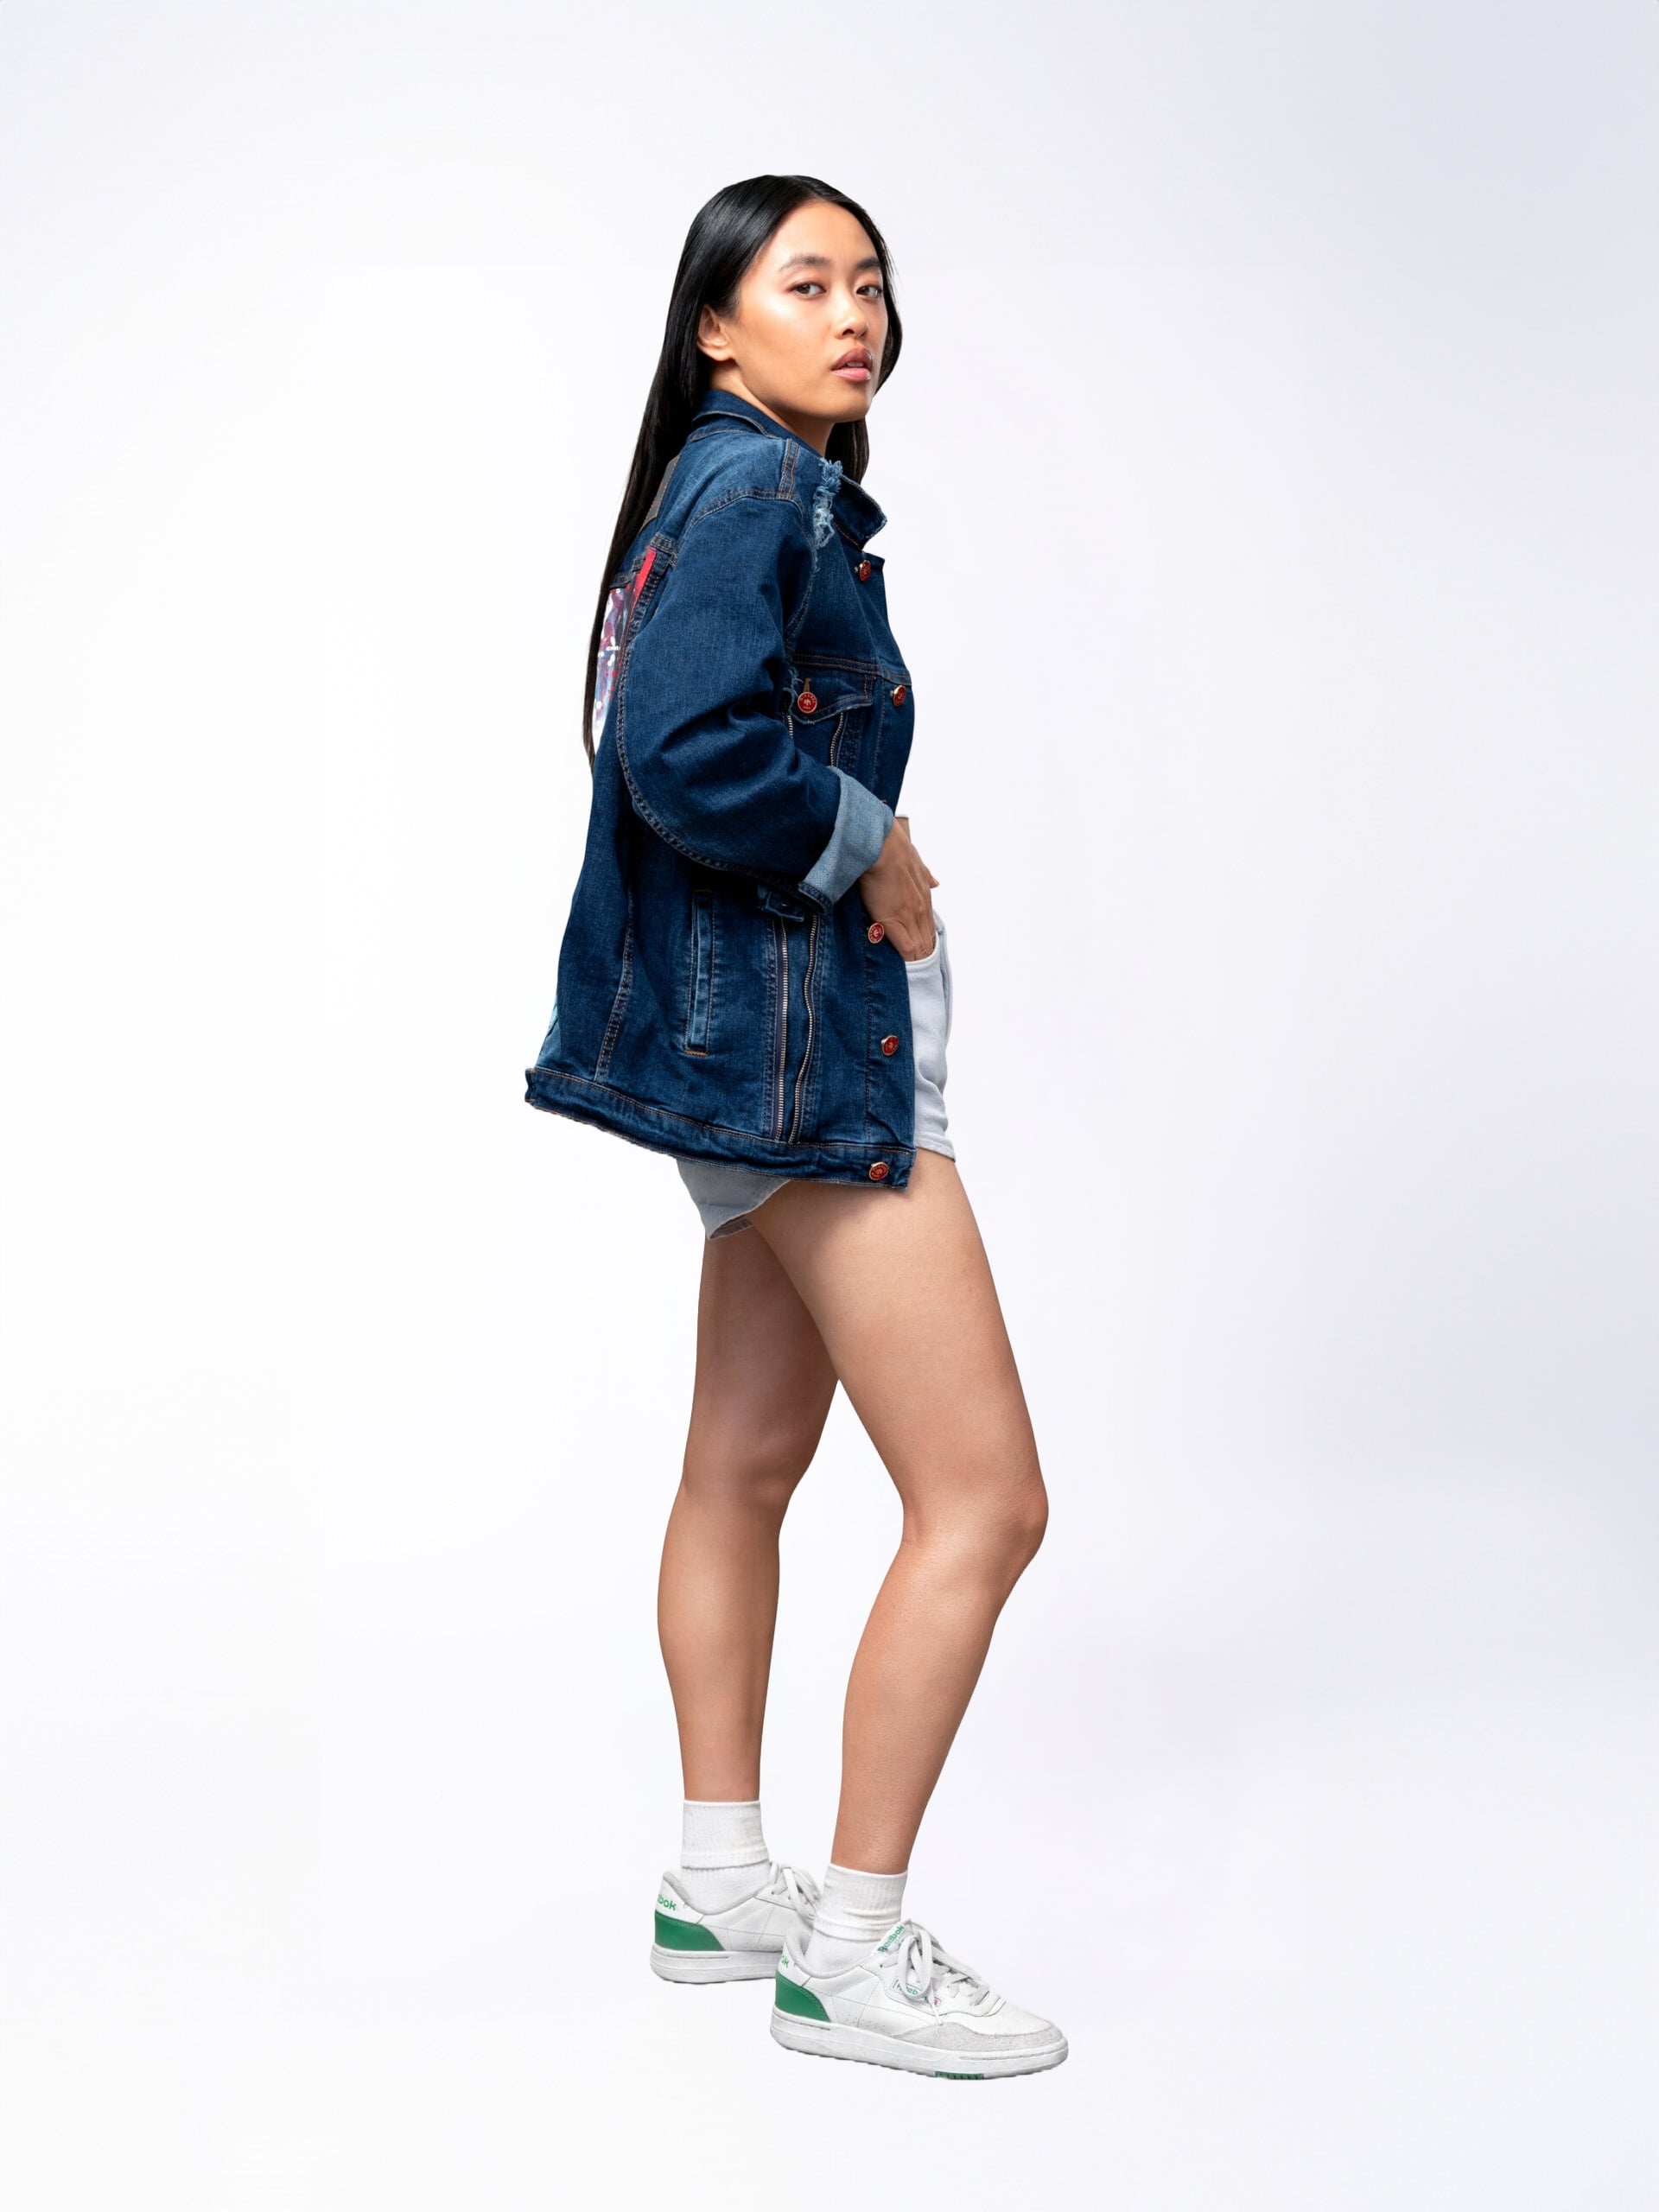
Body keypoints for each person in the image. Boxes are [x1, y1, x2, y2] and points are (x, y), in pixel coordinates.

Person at [524, 175, 1065, 2080]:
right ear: (716, 326)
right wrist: (871, 841)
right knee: (987, 1501)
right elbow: (685, 753)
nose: (856, 315)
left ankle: (717, 1883)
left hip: (740, 1062)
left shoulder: (721, 487)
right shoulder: (760, 486)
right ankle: (850, 1950)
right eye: (807, 282)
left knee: (745, 1464)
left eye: (872, 285)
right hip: (800, 1058)